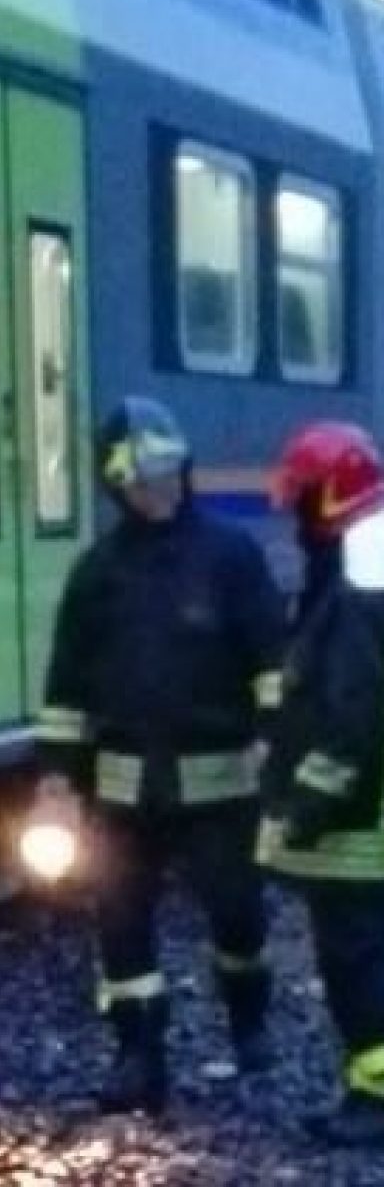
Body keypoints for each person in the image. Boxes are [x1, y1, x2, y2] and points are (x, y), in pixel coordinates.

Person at [36, 396, 287, 1114]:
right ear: (117, 483)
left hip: (221, 788)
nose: (161, 488)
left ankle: (248, 1019)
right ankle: (138, 1054)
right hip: (122, 792)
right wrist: (56, 779)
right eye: (145, 476)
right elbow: (67, 688)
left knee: (238, 919)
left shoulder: (231, 556)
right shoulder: (96, 574)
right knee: (119, 924)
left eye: (170, 471)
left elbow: (271, 658)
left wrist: (275, 735)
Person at [259, 421, 384, 1148]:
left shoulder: (355, 590)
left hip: (359, 831)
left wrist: (306, 807)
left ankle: (374, 1100)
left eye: (303, 499)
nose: (296, 515)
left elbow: (354, 717)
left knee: (359, 965)